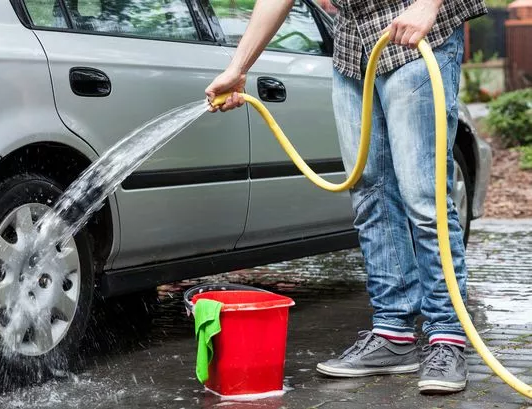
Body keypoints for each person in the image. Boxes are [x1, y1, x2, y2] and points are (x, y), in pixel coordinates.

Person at [205, 0, 487, 395]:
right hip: (354, 49)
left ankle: (447, 338)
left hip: (418, 33)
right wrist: (238, 67)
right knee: (370, 192)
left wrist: (427, 5)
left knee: (423, 197)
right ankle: (393, 334)